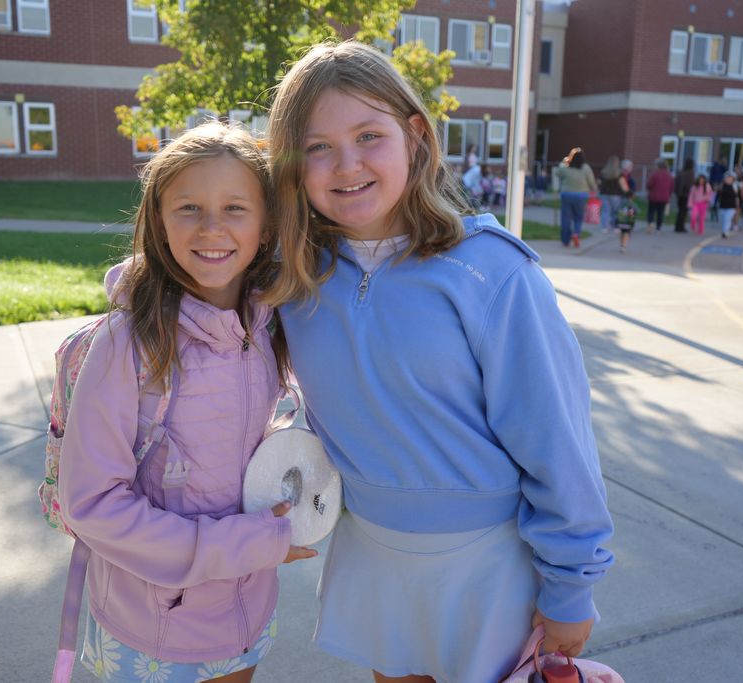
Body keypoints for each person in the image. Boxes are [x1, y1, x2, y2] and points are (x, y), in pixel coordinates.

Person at [264, 41, 615, 683]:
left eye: (369, 136)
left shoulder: (492, 272)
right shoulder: (292, 279)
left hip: (488, 566)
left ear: (415, 136)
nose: (346, 164)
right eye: (317, 146)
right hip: (371, 552)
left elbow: (557, 441)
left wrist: (571, 582)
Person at [58, 122, 317, 683]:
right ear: (158, 221)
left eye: (235, 208)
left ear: (267, 225)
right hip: (149, 630)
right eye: (189, 208)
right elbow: (91, 504)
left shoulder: (271, 328)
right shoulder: (127, 343)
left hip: (247, 615)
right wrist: (245, 545)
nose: (211, 228)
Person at [554, 147, 598, 247]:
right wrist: (594, 190)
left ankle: (565, 240)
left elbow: (557, 173)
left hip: (567, 194)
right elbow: (592, 182)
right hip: (581, 195)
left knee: (566, 218)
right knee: (579, 217)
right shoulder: (586, 168)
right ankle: (576, 233)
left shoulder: (566, 167)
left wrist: (564, 161)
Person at [645, 159, 674, 233]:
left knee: (651, 212)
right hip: (664, 197)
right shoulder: (669, 175)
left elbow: (649, 185)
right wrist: (668, 195)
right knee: (660, 213)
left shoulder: (655, 174)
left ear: (658, 166)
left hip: (653, 197)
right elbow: (671, 187)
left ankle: (650, 226)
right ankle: (658, 228)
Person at [598, 155, 626, 233]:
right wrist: (627, 193)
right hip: (616, 195)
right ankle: (615, 227)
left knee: (605, 211)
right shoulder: (619, 173)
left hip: (604, 194)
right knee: (615, 212)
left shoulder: (603, 172)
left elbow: (599, 183)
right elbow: (623, 185)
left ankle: (604, 228)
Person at [673, 157, 695, 233]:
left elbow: (676, 183)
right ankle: (681, 227)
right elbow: (690, 185)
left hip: (680, 195)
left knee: (680, 211)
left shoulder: (681, 172)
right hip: (686, 195)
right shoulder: (690, 174)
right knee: (684, 211)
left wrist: (677, 192)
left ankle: (678, 226)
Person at [717, 170, 741, 239]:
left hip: (731, 206)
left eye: (730, 178)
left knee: (727, 219)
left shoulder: (734, 186)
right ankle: (724, 230)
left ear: (733, 179)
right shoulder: (721, 186)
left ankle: (725, 232)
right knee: (723, 220)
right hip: (722, 205)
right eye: (727, 178)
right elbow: (718, 195)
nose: (728, 179)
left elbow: (737, 197)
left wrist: (737, 205)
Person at [708, 155, 727, 223]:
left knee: (716, 200)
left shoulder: (721, 167)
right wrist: (714, 184)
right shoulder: (715, 166)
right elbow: (713, 176)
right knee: (714, 200)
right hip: (715, 185)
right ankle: (713, 214)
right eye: (723, 160)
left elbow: (724, 171)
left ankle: (714, 214)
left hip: (718, 185)